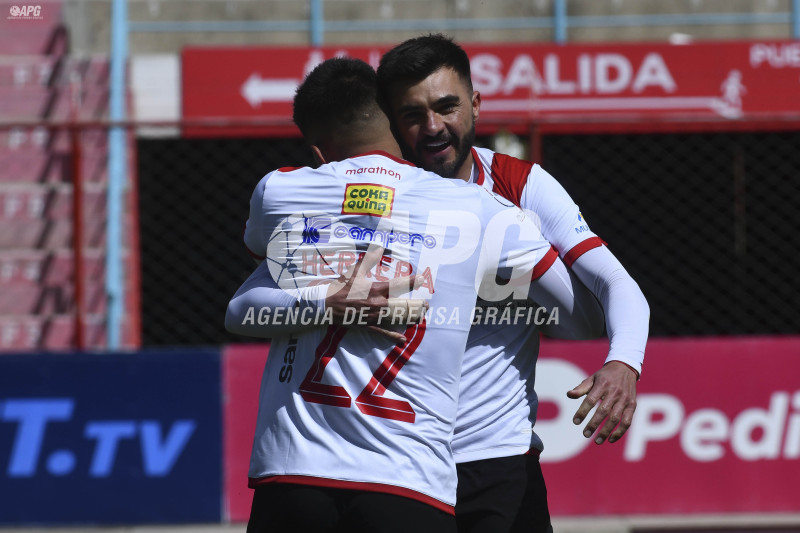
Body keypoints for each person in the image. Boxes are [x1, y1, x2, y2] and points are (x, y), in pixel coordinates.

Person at [225, 57, 604, 533]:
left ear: (318, 151)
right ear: (395, 119)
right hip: (408, 479)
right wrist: (494, 301)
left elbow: (241, 309)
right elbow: (584, 316)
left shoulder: (283, 192)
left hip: (292, 471)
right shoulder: (480, 208)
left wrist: (325, 300)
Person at [376, 34, 650, 532]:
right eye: (413, 114)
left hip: (497, 460)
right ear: (392, 122)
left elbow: (614, 280)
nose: (433, 127)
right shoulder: (373, 195)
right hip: (395, 460)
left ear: (476, 105)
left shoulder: (521, 185)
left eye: (447, 107)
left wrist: (623, 362)